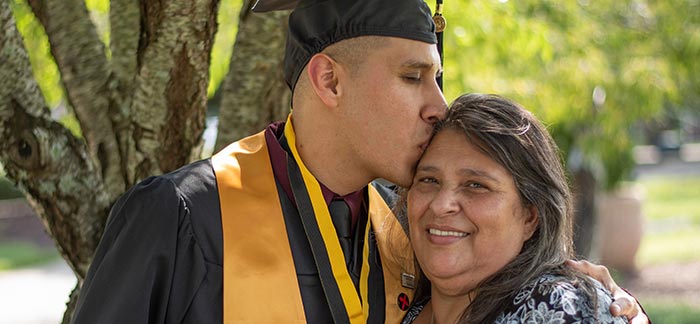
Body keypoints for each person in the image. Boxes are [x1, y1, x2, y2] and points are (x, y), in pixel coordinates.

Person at [70, 0, 647, 323]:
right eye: (413, 77)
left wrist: (590, 293)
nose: (438, 106)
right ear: (329, 80)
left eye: (437, 78)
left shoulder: (408, 227)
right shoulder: (184, 219)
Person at [401, 94, 636, 323]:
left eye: (476, 185)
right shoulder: (397, 300)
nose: (441, 205)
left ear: (530, 217)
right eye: (429, 180)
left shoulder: (559, 309)